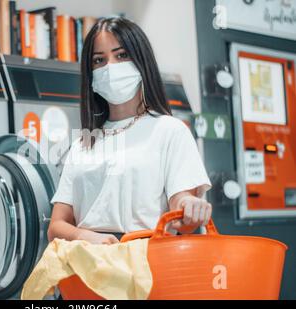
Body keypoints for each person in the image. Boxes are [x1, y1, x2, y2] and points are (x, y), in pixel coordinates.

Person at [47, 17, 212, 245]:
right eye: (99, 60)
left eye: (121, 55)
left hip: (147, 265)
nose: (110, 67)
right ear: (90, 74)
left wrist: (191, 207)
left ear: (141, 61)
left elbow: (181, 216)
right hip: (86, 266)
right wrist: (83, 236)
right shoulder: (84, 143)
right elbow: (56, 226)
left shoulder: (169, 131)